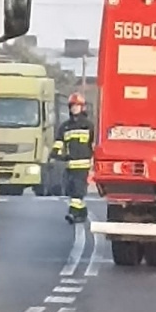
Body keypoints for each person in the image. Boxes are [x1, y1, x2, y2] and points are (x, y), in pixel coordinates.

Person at [53, 92, 94, 224]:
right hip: (70, 163)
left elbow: (93, 143)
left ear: (82, 107)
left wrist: (95, 161)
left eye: (77, 106)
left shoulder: (88, 125)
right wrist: (55, 153)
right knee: (72, 191)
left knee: (77, 191)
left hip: (83, 164)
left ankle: (73, 213)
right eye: (72, 106)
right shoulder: (65, 126)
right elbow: (59, 141)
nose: (75, 108)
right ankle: (82, 213)